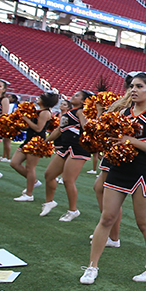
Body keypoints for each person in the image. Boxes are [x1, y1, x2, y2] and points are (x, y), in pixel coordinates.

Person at [81, 72, 146, 285]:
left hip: (144, 171)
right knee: (107, 217)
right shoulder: (123, 112)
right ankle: (92, 267)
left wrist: (129, 140)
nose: (134, 90)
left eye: (139, 86)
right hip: (119, 168)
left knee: (144, 223)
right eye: (132, 86)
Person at [41, 92, 91, 221]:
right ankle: (49, 202)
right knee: (49, 175)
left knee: (68, 180)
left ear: (84, 101)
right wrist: (44, 143)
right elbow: (58, 130)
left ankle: (73, 210)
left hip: (78, 148)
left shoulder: (81, 112)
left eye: (77, 95)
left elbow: (87, 129)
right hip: (65, 147)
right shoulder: (70, 112)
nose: (74, 96)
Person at [8, 93, 58, 202]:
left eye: (40, 98)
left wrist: (26, 119)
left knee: (30, 168)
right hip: (28, 140)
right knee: (14, 163)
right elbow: (31, 127)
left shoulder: (45, 113)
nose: (37, 99)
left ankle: (29, 194)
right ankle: (34, 182)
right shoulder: (38, 111)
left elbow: (38, 128)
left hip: (36, 142)